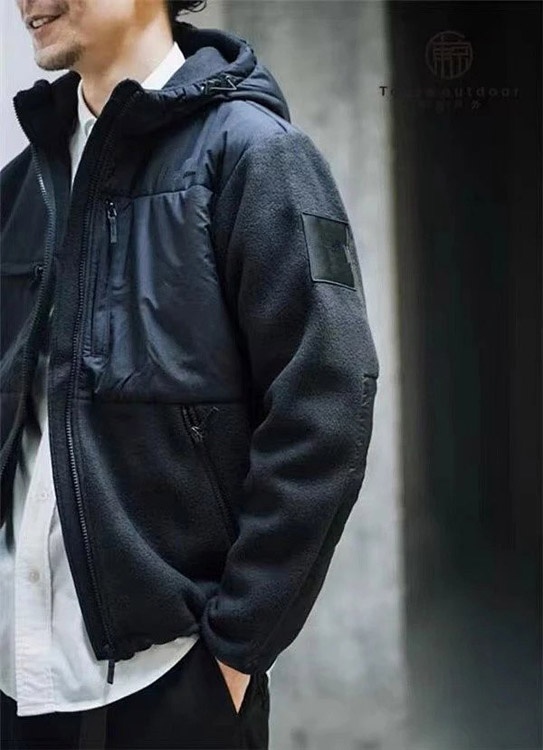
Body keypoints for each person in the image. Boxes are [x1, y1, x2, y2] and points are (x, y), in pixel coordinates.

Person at [0, 0, 380, 747]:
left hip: (172, 680)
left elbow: (326, 407)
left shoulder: (256, 157)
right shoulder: (21, 188)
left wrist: (235, 649)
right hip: (17, 669)